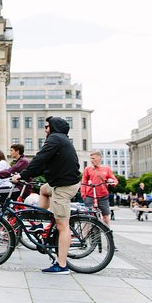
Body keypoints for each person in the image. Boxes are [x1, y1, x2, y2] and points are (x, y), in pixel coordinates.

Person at [12, 116, 81, 275]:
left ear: (54, 127)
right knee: (43, 189)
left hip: (64, 187)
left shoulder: (55, 139)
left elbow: (39, 158)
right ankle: (41, 225)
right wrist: (29, 174)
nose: (45, 130)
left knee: (63, 226)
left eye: (47, 126)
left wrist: (22, 176)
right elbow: (44, 165)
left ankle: (62, 265)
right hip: (59, 182)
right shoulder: (60, 140)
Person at [81, 150, 118, 226]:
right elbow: (83, 183)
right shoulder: (88, 169)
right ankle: (85, 235)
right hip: (90, 196)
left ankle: (107, 232)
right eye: (91, 158)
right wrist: (83, 195)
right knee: (87, 216)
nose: (91, 160)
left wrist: (111, 182)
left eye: (93, 158)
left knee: (106, 215)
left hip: (103, 196)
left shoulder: (106, 169)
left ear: (99, 158)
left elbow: (115, 181)